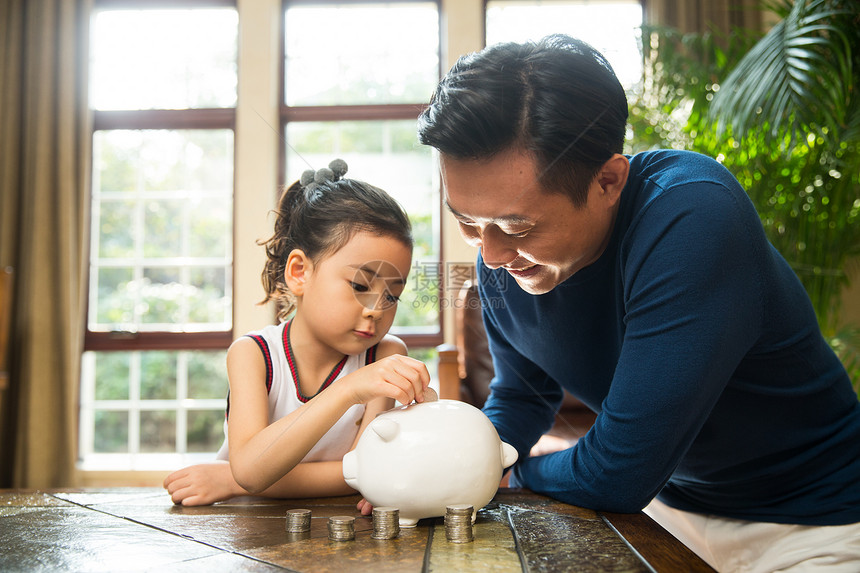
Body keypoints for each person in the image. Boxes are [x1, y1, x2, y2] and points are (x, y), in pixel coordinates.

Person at [417, 34, 860, 572]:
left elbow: (618, 471)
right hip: (664, 514)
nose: (489, 255)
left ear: (608, 181)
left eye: (517, 226)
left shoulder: (693, 215)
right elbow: (523, 397)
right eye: (468, 223)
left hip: (816, 522)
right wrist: (455, 467)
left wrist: (516, 473)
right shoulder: (505, 263)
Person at [164, 160, 430, 506]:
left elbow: (365, 471)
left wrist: (231, 479)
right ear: (300, 272)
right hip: (245, 531)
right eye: (360, 285)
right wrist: (350, 389)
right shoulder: (253, 354)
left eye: (392, 295)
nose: (376, 309)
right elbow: (252, 470)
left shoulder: (384, 355)